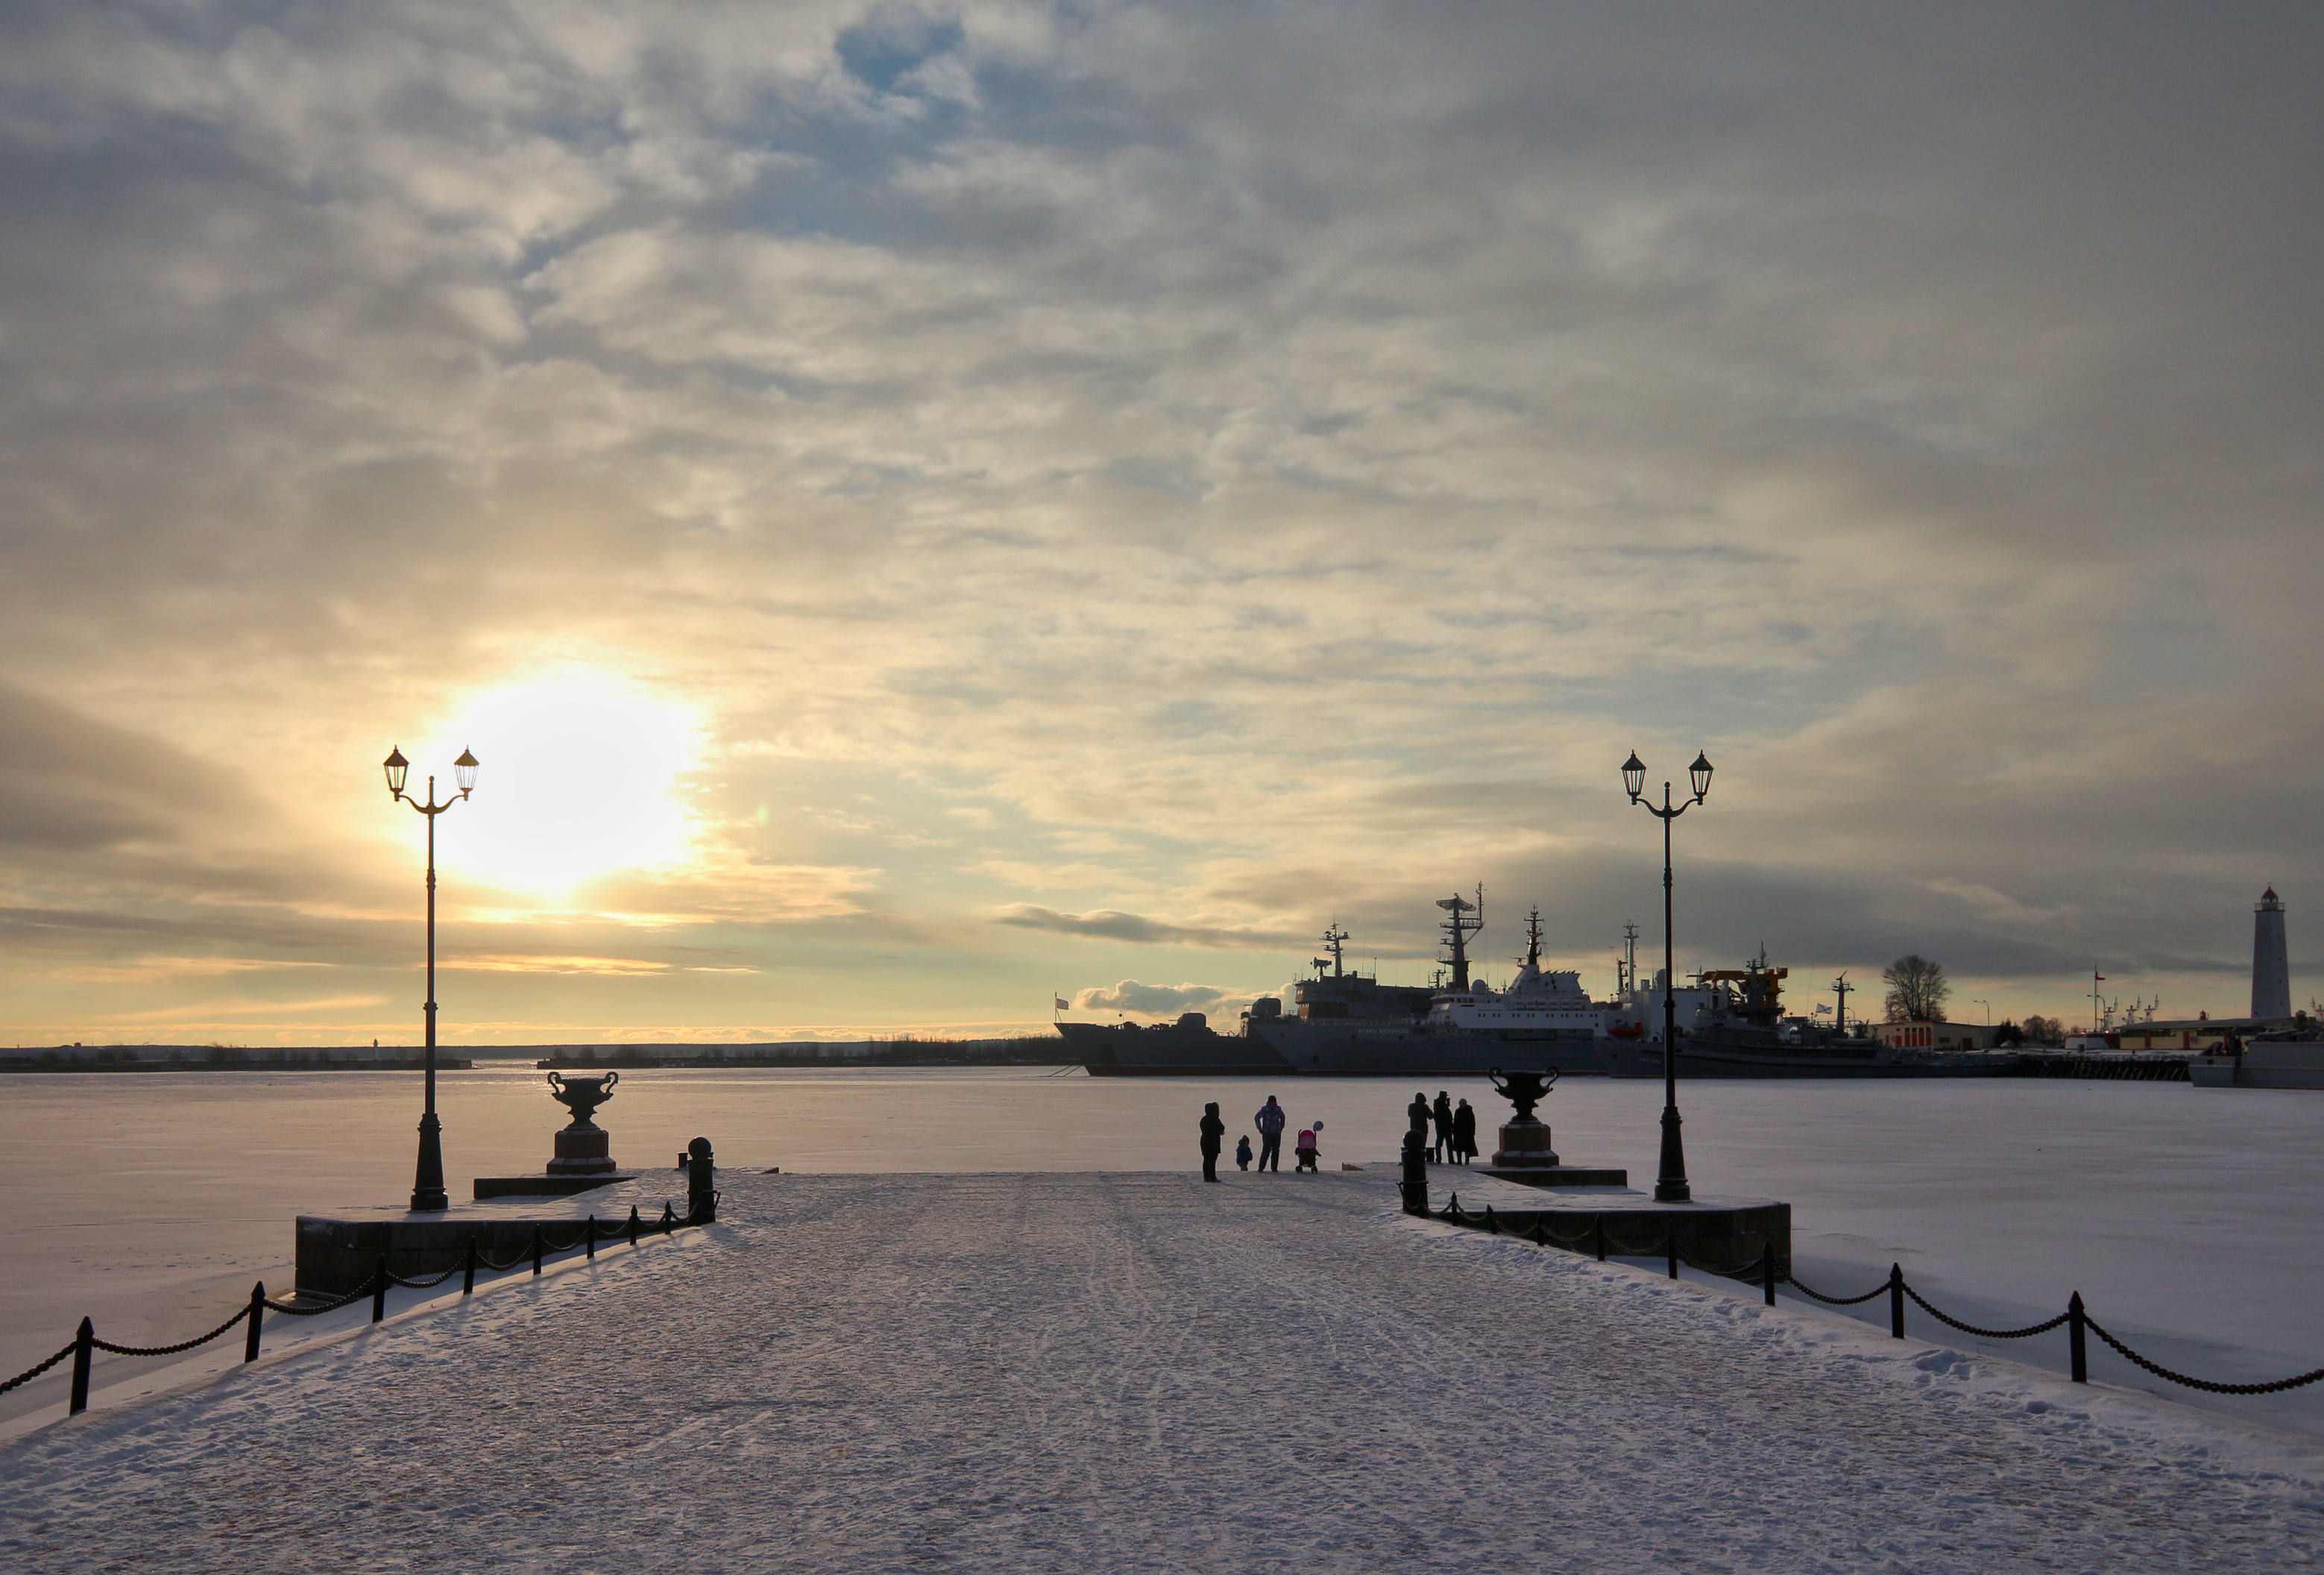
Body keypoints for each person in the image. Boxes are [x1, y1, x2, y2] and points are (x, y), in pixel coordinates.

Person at [1254, 1094, 1287, 1172]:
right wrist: (1259, 1127)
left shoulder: (1278, 1109)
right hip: (1267, 1132)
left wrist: (1281, 1126)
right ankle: (1261, 1168)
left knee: (1275, 1150)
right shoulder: (1265, 1109)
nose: (1274, 1103)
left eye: (1275, 1102)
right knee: (1266, 1150)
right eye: (1273, 1102)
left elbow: (1283, 1117)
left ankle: (1274, 1168)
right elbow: (1257, 1117)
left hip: (1276, 1132)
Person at [1199, 1101, 1226, 1182]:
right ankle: (1212, 1177)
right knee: (1212, 1160)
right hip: (1213, 1141)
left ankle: (1206, 1177)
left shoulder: (1203, 1119)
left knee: (1206, 1159)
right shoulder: (1215, 1119)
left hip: (1204, 1141)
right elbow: (1222, 1128)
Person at [1452, 1098, 1478, 1166]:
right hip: (1458, 1132)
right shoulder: (1458, 1111)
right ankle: (1459, 1161)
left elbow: (1472, 1122)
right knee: (1458, 1148)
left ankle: (1467, 1161)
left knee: (1467, 1148)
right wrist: (1454, 1129)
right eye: (1460, 1104)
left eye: (1462, 1104)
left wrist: (1472, 1132)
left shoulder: (1469, 1111)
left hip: (1467, 1132)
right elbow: (1455, 1121)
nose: (1461, 1105)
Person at [1407, 1092, 1433, 1158]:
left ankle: (1414, 1157)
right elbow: (1431, 1116)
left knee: (1414, 1144)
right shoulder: (1424, 1107)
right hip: (1423, 1128)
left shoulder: (1411, 1106)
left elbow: (1409, 1115)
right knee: (1422, 1144)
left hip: (1413, 1128)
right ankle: (1421, 1158)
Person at [1432, 1090, 1454, 1163]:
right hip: (1443, 1128)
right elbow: (1442, 1115)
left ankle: (1447, 1159)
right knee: (1444, 1144)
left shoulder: (1439, 1104)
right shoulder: (1439, 1104)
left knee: (1446, 1144)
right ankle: (1443, 1159)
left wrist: (1447, 1104)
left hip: (1444, 1127)